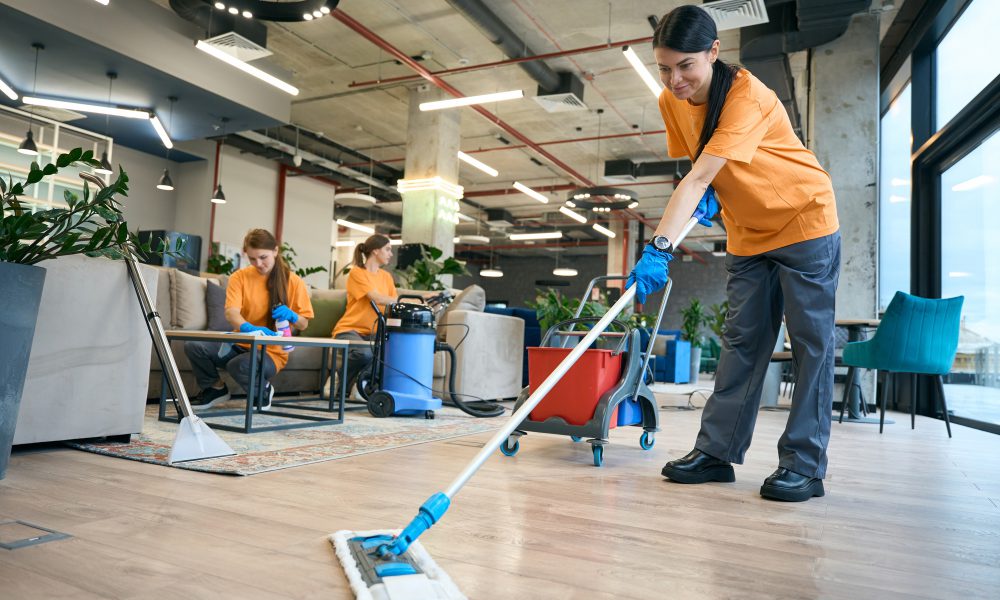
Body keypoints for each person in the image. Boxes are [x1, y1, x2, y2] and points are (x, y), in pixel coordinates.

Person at [627, 5, 841, 502]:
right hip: (747, 231)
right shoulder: (669, 100)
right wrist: (708, 199)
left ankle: (804, 466)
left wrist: (659, 245)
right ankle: (716, 453)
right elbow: (700, 170)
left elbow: (700, 175)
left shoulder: (745, 95)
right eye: (664, 67)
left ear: (713, 52)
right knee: (742, 341)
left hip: (803, 219)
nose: (674, 79)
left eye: (686, 66)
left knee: (811, 346)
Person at [185, 229, 314, 411]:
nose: (258, 264)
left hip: (271, 352)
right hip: (239, 343)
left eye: (263, 257)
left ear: (275, 251)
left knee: (238, 365)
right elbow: (231, 312)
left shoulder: (293, 282)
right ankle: (215, 389)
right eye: (252, 259)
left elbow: (304, 323)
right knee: (194, 346)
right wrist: (247, 327)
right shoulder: (240, 277)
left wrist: (292, 315)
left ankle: (263, 390)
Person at [331, 234, 399, 400]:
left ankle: (359, 385)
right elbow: (376, 297)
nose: (391, 253)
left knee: (389, 352)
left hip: (374, 331)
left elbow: (392, 305)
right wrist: (403, 301)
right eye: (388, 249)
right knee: (365, 354)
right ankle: (340, 384)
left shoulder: (386, 277)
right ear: (375, 251)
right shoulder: (357, 273)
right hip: (350, 328)